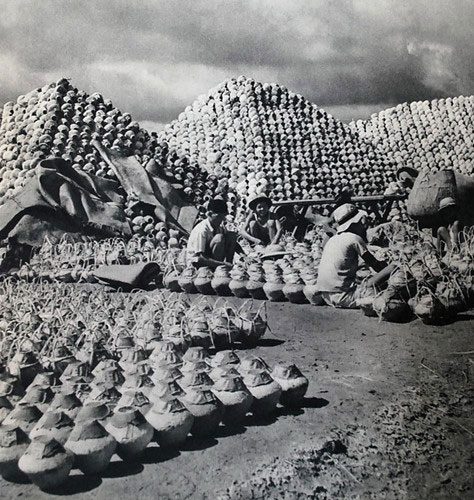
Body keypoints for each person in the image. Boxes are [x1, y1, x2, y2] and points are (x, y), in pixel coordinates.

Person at [316, 203, 396, 308]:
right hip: (344, 297)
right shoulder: (354, 238)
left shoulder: (333, 239)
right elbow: (375, 265)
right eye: (361, 222)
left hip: (326, 296)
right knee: (391, 268)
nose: (363, 225)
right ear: (355, 223)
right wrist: (391, 266)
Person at [186, 198, 241, 269]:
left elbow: (233, 243)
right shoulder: (202, 230)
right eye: (220, 217)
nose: (222, 219)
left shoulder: (219, 227)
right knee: (219, 238)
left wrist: (243, 255)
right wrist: (222, 264)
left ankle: (228, 267)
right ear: (210, 214)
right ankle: (219, 269)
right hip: (197, 265)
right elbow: (199, 257)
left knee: (231, 235)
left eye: (223, 216)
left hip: (210, 259)